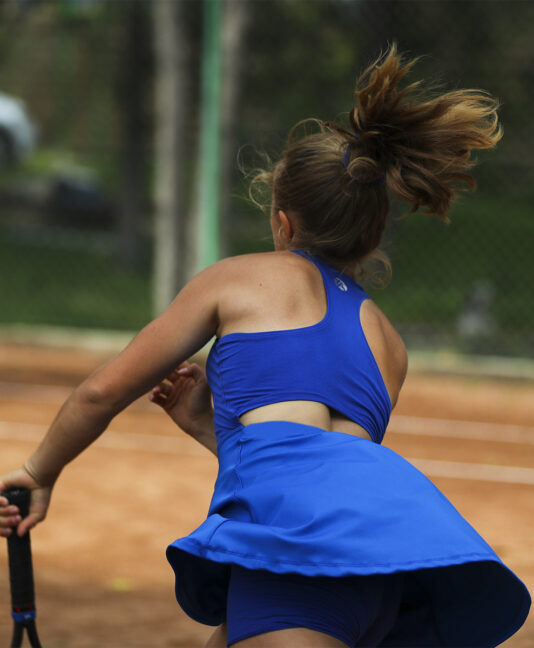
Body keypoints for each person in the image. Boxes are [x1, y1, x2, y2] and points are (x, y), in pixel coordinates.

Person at [0, 45, 530, 647]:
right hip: (384, 562)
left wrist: (39, 471)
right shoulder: (390, 343)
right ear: (374, 231)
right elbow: (325, 476)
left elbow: (102, 392)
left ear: (283, 222)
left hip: (298, 565)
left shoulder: (241, 278)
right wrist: (211, 429)